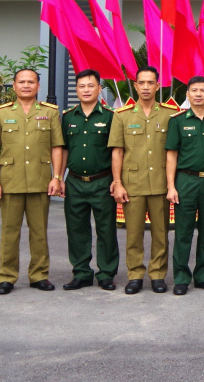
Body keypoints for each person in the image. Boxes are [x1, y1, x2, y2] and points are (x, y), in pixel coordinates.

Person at [0, 68, 64, 295]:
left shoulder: (49, 113)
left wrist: (56, 177)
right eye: (22, 82)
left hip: (40, 181)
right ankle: (7, 276)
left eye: (31, 82)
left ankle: (39, 275)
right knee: (10, 232)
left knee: (40, 232)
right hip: (11, 181)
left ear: (38, 86)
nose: (26, 85)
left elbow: (57, 147)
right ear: (14, 85)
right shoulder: (0, 114)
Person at [109, 66, 177, 295]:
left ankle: (158, 275)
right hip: (133, 183)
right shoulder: (122, 116)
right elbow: (117, 152)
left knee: (161, 233)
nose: (146, 87)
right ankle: (135, 275)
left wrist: (171, 185)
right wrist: (117, 182)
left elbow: (173, 151)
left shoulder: (170, 115)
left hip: (159, 183)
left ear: (158, 86)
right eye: (142, 83)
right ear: (136, 86)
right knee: (133, 233)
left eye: (151, 83)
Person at [165, 76, 204, 295]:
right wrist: (171, 186)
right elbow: (171, 155)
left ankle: (202, 275)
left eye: (203, 90)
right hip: (186, 181)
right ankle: (181, 277)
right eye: (194, 90)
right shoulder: (177, 121)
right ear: (187, 94)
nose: (198, 94)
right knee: (183, 231)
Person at [61, 69, 118, 291]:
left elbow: (116, 152)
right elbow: (64, 149)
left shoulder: (110, 116)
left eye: (90, 86)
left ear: (99, 89)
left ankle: (106, 273)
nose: (86, 90)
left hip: (102, 181)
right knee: (76, 229)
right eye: (82, 86)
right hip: (75, 182)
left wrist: (117, 180)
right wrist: (59, 177)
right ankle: (81, 272)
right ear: (77, 90)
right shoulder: (68, 117)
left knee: (106, 229)